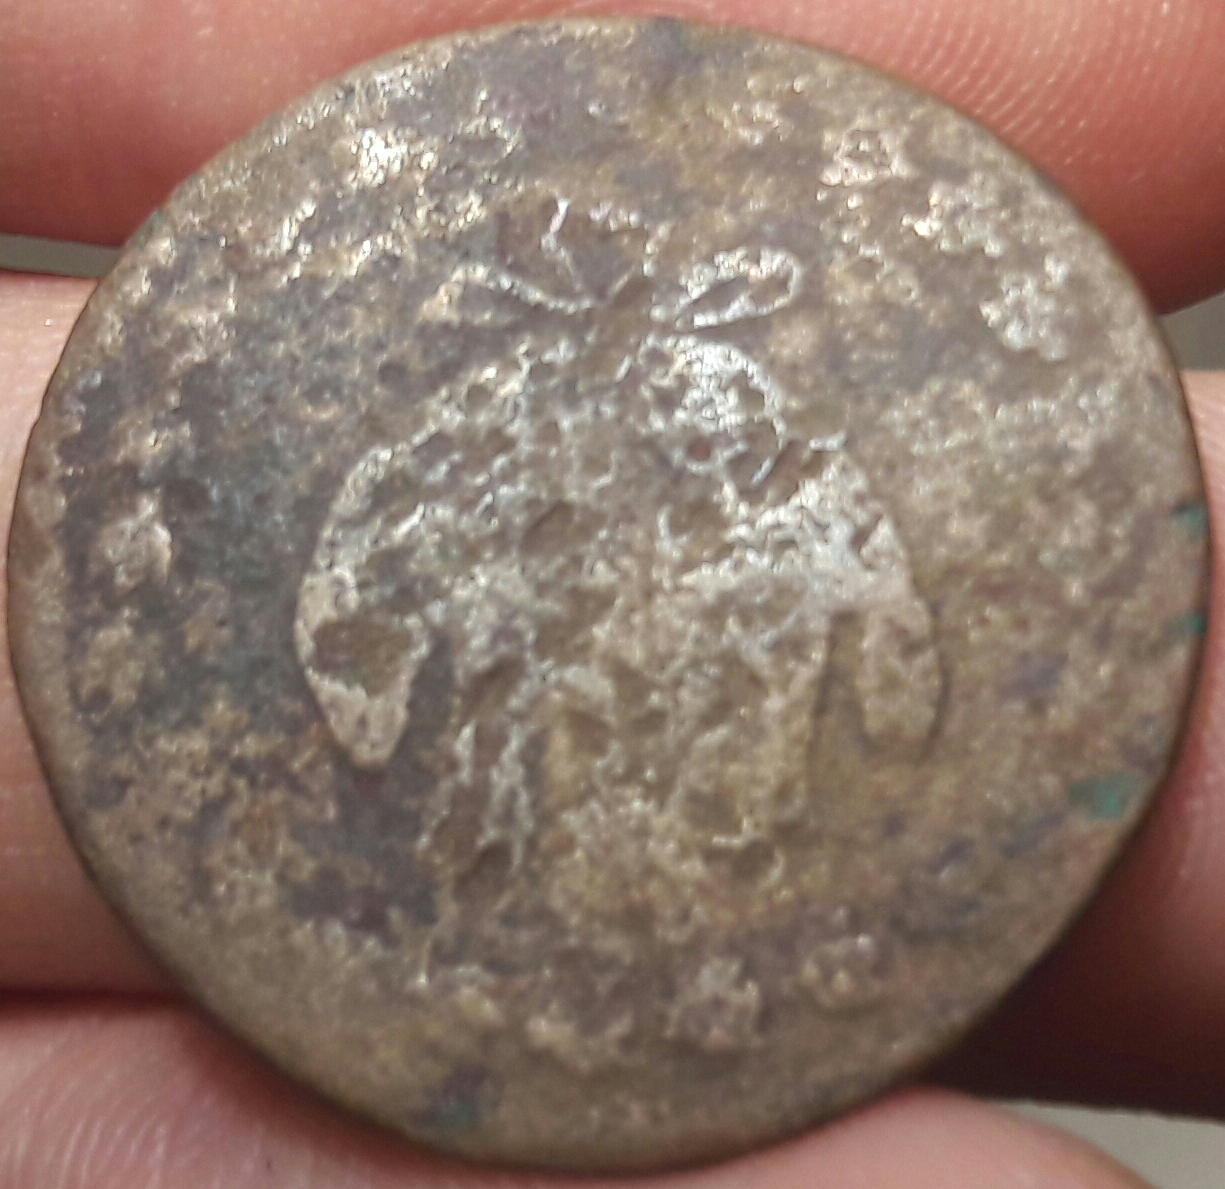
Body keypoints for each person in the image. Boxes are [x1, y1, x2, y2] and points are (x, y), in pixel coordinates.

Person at [0, 1, 1223, 1183]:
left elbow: (856, 574)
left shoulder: (742, 446)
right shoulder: (505, 439)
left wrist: (884, 647)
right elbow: (368, 567)